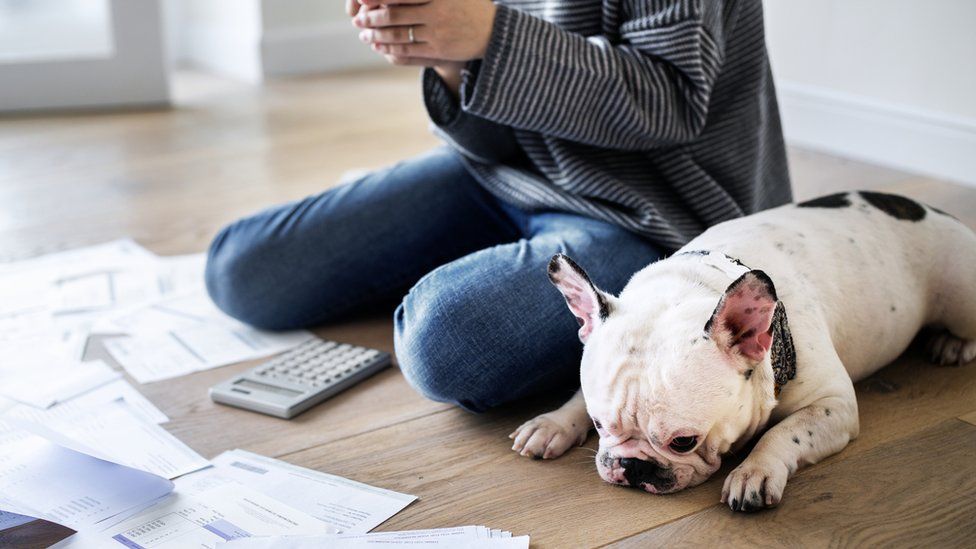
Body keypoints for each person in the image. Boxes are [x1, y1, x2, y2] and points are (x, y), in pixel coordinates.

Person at [205, 0, 791, 415]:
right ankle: (497, 278)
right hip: (510, 174)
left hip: (654, 212)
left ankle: (513, 289)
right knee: (241, 269)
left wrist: (490, 34)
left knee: (445, 343)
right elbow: (491, 139)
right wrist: (445, 52)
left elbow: (669, 102)